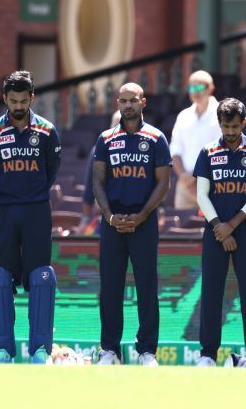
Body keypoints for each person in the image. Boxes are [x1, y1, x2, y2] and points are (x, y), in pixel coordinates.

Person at [0, 71, 62, 364]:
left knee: (40, 275)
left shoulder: (48, 131)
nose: (17, 106)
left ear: (31, 99)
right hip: (2, 210)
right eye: (12, 101)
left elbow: (51, 171)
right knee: (0, 276)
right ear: (5, 99)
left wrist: (30, 194)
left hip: (36, 209)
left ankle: (40, 350)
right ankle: (3, 350)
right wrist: (9, 194)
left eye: (23, 101)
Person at [92, 82, 172, 366]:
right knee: (111, 288)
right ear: (117, 103)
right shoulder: (105, 139)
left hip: (144, 222)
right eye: (123, 100)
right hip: (112, 224)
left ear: (143, 102)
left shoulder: (156, 138)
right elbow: (97, 182)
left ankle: (147, 351)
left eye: (133, 100)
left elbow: (163, 183)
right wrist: (110, 216)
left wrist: (142, 215)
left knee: (147, 287)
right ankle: (109, 349)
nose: (128, 105)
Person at [193, 98, 246, 369]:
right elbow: (201, 195)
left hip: (245, 229)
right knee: (211, 292)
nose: (230, 132)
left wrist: (232, 226)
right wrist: (220, 228)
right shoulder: (207, 152)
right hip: (214, 230)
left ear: (244, 123)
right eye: (226, 126)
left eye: (235, 126)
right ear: (220, 123)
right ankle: (207, 354)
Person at [170, 71, 221, 209]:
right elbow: (175, 150)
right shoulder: (183, 116)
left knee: (215, 229)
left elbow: (223, 152)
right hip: (185, 187)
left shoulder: (222, 115)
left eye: (199, 88)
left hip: (213, 185)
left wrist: (198, 179)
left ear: (210, 88)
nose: (195, 92)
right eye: (192, 88)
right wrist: (184, 177)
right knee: (181, 228)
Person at [82, 110, 122, 218]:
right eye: (116, 125)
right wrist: (85, 220)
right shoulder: (99, 151)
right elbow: (89, 190)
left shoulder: (141, 153)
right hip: (104, 215)